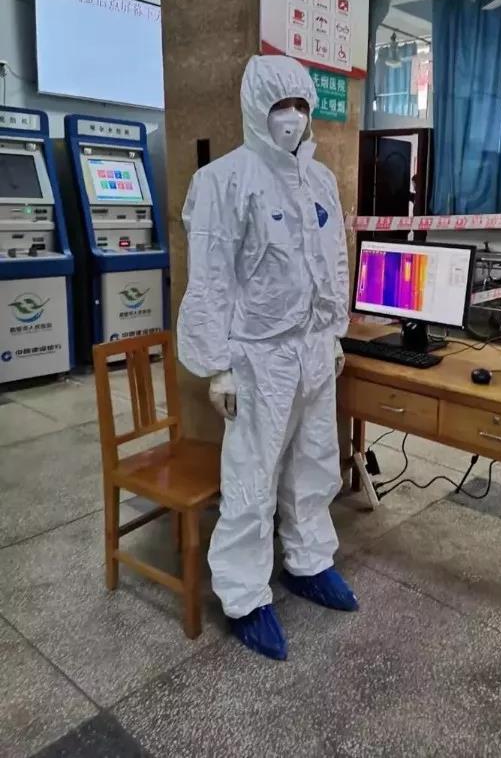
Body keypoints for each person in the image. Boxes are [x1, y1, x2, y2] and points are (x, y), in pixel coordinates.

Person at [177, 54, 357, 661]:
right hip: (258, 357)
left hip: (313, 351)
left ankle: (309, 562)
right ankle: (244, 596)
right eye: (281, 104)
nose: (293, 116)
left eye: (301, 105)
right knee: (251, 478)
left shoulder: (321, 180)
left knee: (314, 461)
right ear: (256, 107)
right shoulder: (223, 180)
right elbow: (210, 280)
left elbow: (333, 261)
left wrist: (333, 332)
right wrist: (218, 366)